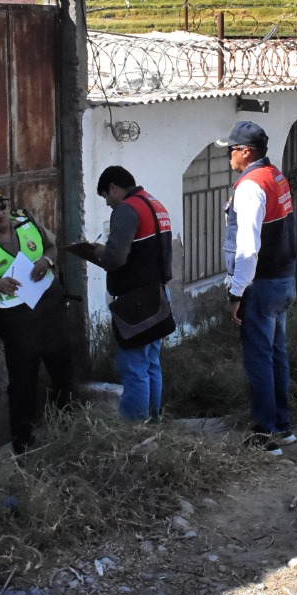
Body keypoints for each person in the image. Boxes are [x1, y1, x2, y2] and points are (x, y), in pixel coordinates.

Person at [0, 187, 74, 453]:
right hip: (17, 322)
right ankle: (23, 446)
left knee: (63, 373)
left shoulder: (26, 220)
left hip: (49, 309)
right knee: (22, 384)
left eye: (1, 206)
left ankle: (70, 431)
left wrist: (46, 261)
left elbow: (51, 245)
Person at [219, 120, 297, 456]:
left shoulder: (250, 186)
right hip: (284, 280)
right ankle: (284, 426)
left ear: (246, 151)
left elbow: (248, 248)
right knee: (277, 355)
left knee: (259, 361)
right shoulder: (275, 176)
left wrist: (236, 293)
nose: (228, 155)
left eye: (231, 149)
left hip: (261, 285)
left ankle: (265, 437)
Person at [90, 165, 173, 422]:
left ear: (113, 188)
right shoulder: (155, 203)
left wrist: (95, 251)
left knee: (133, 368)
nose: (107, 204)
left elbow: (115, 257)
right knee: (150, 364)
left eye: (106, 197)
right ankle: (153, 423)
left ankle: (134, 430)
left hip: (136, 302)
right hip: (157, 295)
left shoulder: (127, 209)